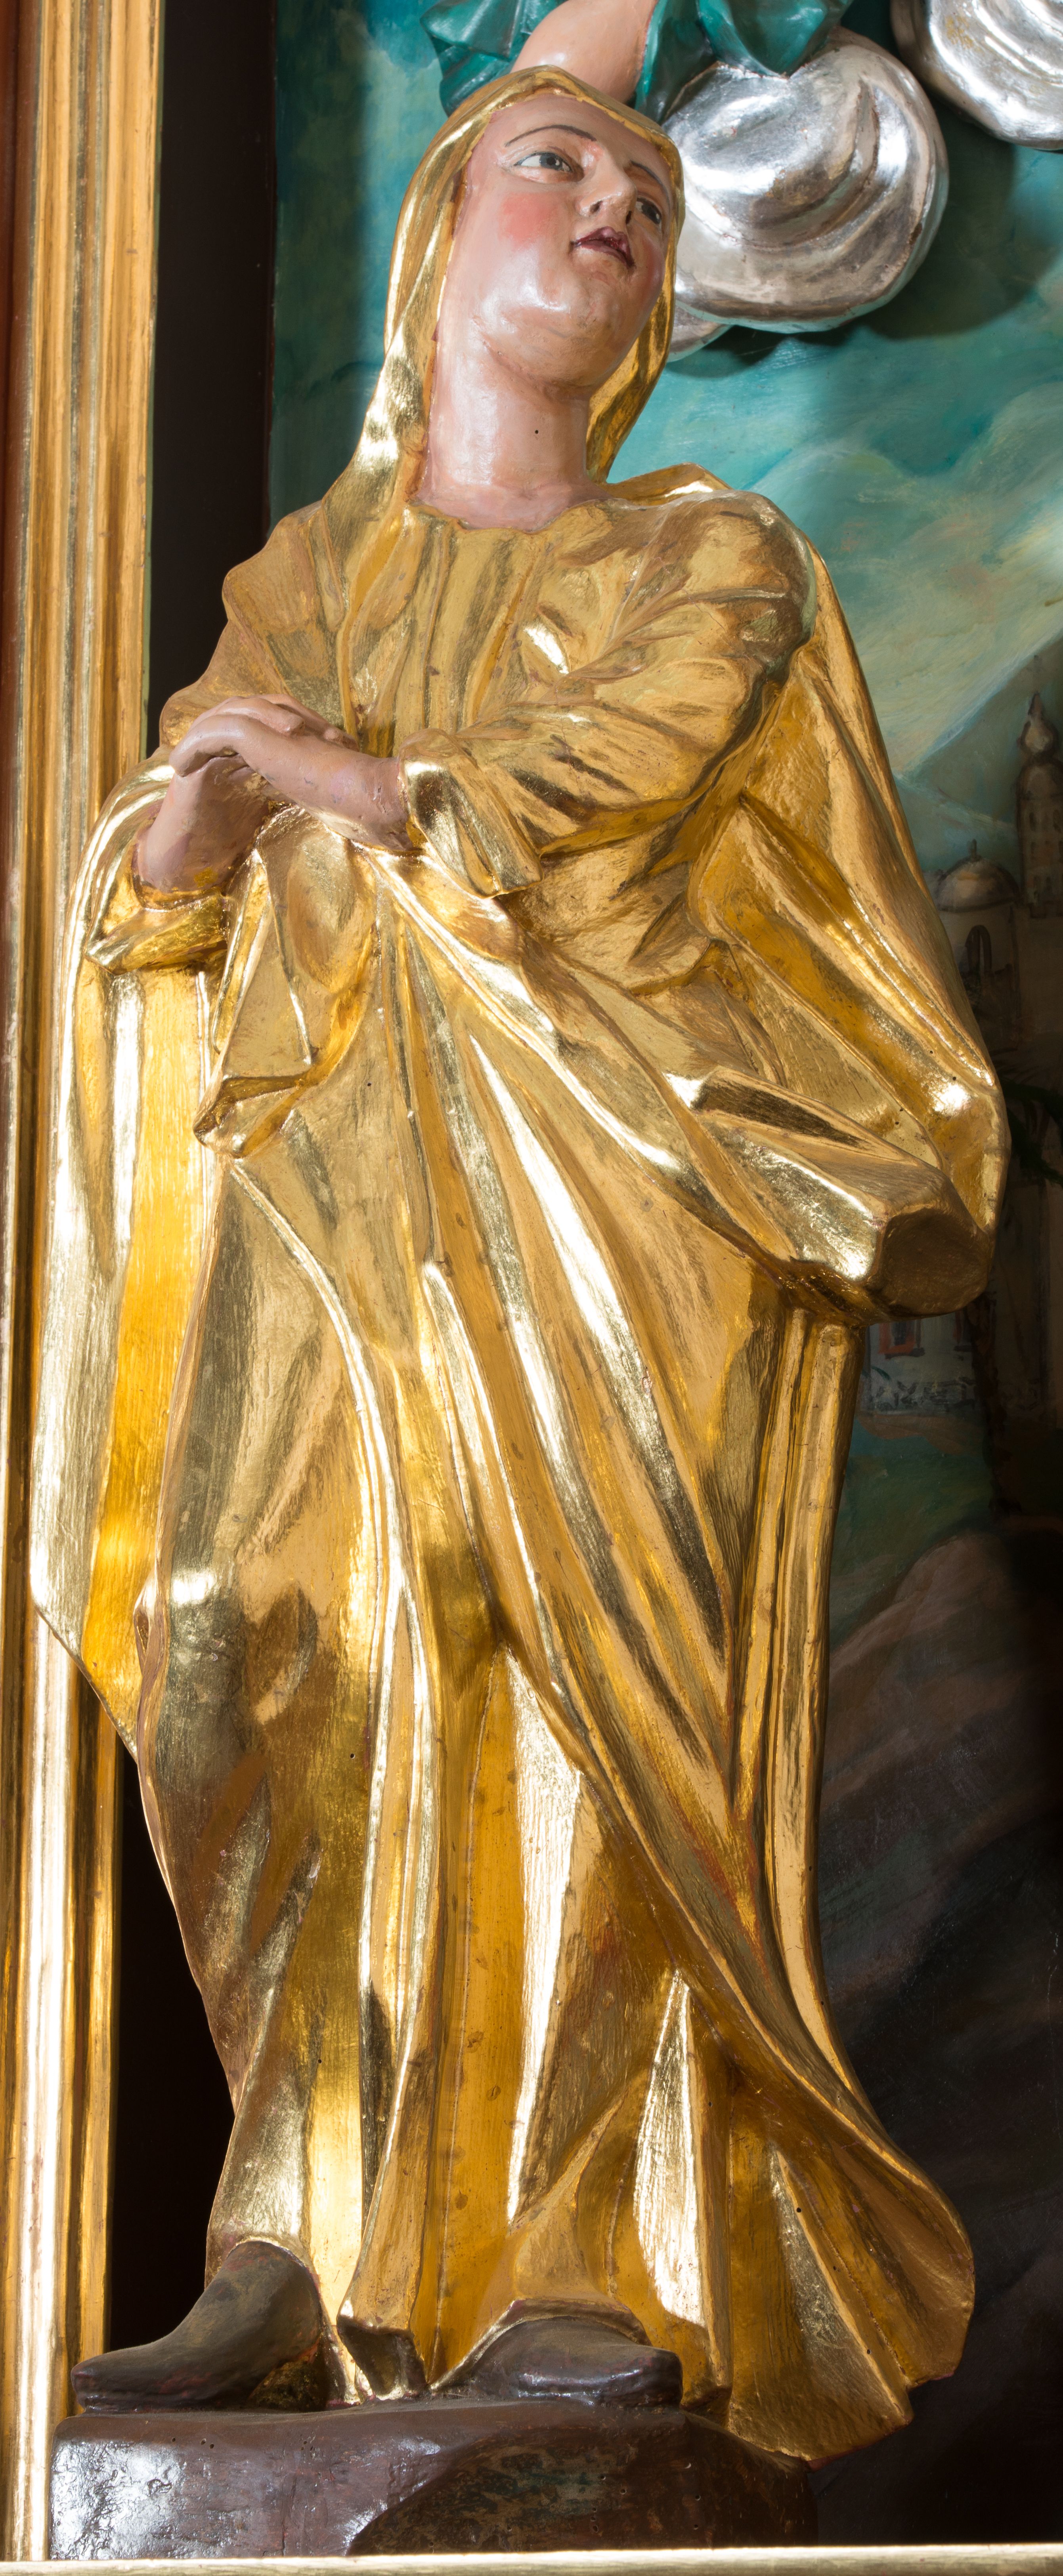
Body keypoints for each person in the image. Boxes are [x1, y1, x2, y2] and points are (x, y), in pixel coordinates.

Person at [33, 51, 1006, 2463]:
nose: (613, 211)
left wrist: (327, 783)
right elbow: (163, 885)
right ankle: (291, 2237)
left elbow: (595, 795)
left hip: (625, 1210)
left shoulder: (710, 557)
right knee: (266, 1650)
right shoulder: (305, 578)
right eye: (558, 162)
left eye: (650, 201)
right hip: (321, 1207)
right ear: (437, 243)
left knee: (572, 1697)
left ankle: (593, 2253)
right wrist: (181, 851)